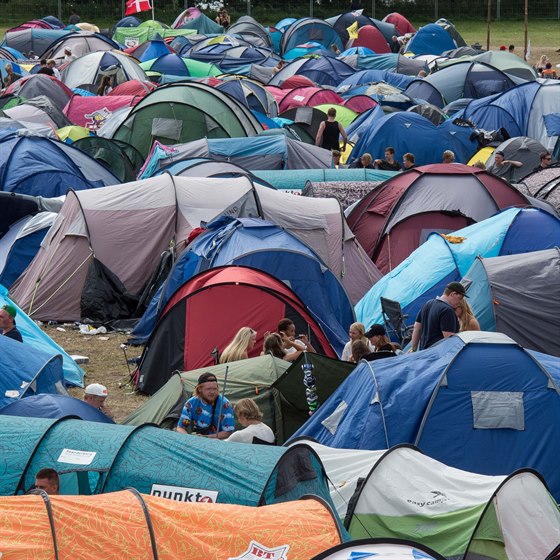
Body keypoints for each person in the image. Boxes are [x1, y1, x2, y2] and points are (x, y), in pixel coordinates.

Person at [410, 281, 466, 351]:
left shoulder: (428, 303)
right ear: (453, 294)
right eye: (460, 298)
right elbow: (449, 339)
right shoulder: (447, 310)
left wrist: (413, 349)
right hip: (437, 355)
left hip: (424, 353)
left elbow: (417, 327)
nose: (460, 302)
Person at [176, 372, 234, 439]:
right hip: (198, 439)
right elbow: (180, 428)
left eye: (214, 389)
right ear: (199, 389)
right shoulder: (191, 403)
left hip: (219, 442)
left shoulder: (225, 404)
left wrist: (206, 438)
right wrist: (189, 439)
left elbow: (228, 432)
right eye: (208, 389)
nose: (212, 392)